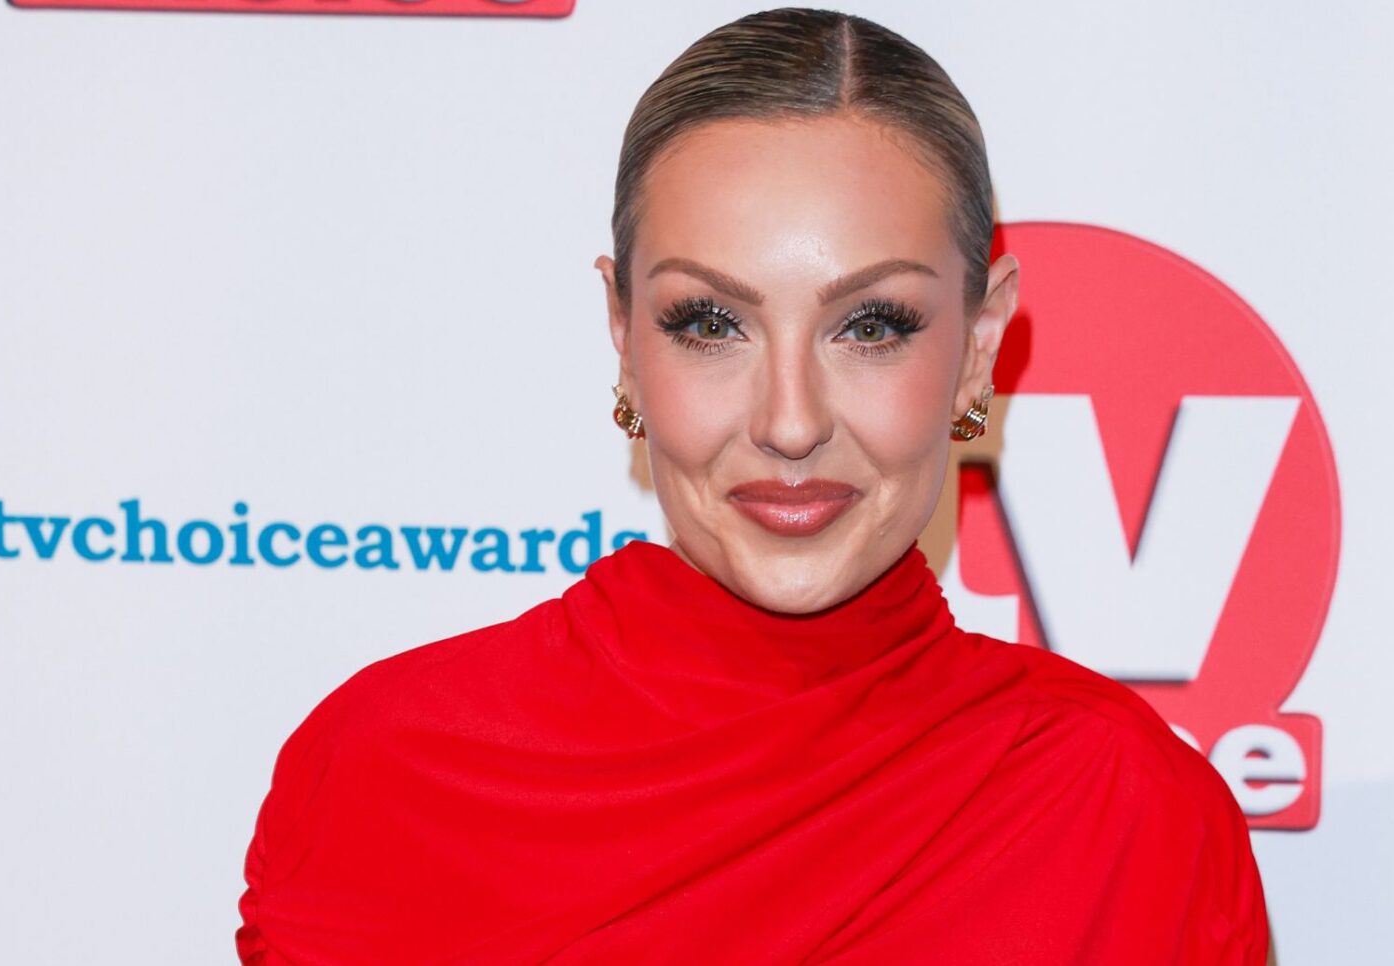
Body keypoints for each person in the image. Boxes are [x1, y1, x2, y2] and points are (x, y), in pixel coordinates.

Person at [235, 7, 1270, 964]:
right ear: (623, 335)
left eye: (871, 326)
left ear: (978, 344)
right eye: (710, 323)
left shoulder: (1126, 813)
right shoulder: (389, 777)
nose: (789, 421)